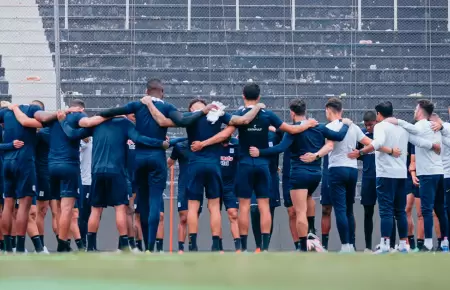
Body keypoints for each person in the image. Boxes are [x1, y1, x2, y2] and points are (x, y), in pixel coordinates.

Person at [191, 84, 321, 252]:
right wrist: (308, 124)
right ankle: (264, 247)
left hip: (244, 165)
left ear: (243, 96)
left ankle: (244, 247)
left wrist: (203, 143)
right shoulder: (268, 115)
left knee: (244, 206)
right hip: (263, 165)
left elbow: (224, 135)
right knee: (264, 205)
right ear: (259, 97)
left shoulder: (239, 114)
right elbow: (292, 129)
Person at [98, 79, 215, 252]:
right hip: (157, 158)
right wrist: (202, 111)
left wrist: (120, 115)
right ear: (163, 92)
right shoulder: (167, 107)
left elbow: (108, 111)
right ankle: (151, 247)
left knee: (142, 204)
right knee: (154, 202)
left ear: (147, 92)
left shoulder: (137, 105)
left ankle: (142, 244)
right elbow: (183, 121)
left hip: (138, 158)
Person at [145, 97, 263, 251]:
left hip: (195, 165)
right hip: (213, 165)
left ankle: (193, 245)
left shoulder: (189, 118)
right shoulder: (218, 114)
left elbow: (163, 121)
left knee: (193, 207)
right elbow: (243, 120)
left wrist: (149, 104)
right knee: (214, 207)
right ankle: (216, 244)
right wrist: (257, 106)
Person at [60, 110, 170, 252]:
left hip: (97, 171)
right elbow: (139, 138)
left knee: (95, 209)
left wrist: (63, 121)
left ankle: (90, 246)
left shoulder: (97, 123)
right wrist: (160, 142)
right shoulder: (124, 123)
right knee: (120, 208)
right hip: (116, 171)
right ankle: (124, 245)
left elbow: (72, 134)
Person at [249, 99, 351, 251]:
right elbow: (339, 136)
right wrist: (345, 123)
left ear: (291, 113)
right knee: (309, 197)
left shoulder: (293, 130)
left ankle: (303, 247)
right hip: (316, 174)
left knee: (299, 211)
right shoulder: (318, 127)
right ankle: (311, 232)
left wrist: (260, 152)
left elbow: (280, 148)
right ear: (305, 111)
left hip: (299, 174)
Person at [351, 101, 439, 253]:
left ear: (379, 114)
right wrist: (433, 145)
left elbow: (377, 144)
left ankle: (385, 244)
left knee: (386, 210)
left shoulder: (380, 126)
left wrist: (360, 152)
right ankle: (404, 244)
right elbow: (417, 141)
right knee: (399, 211)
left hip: (385, 174)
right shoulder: (402, 127)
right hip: (400, 175)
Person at [385, 99, 448, 252]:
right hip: (440, 172)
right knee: (440, 209)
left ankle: (427, 243)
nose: (414, 111)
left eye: (415, 108)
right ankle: (445, 241)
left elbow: (413, 136)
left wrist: (398, 122)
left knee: (426, 209)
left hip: (427, 173)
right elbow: (416, 139)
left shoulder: (420, 125)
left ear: (420, 110)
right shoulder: (436, 127)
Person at [1, 102, 57, 253]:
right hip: (24, 162)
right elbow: (36, 120)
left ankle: (7, 248)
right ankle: (19, 248)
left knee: (8, 205)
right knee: (24, 207)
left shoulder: (6, 113)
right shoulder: (32, 111)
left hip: (7, 162)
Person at [219, 136, 240, 252]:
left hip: (230, 186)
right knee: (216, 215)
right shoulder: (213, 145)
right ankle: (219, 247)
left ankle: (238, 247)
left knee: (233, 213)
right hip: (216, 185)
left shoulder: (235, 145)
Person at [79, 136, 92, 248]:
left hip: (95, 181)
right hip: (84, 182)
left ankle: (92, 245)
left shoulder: (96, 139)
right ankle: (83, 244)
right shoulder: (82, 141)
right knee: (83, 215)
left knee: (95, 214)